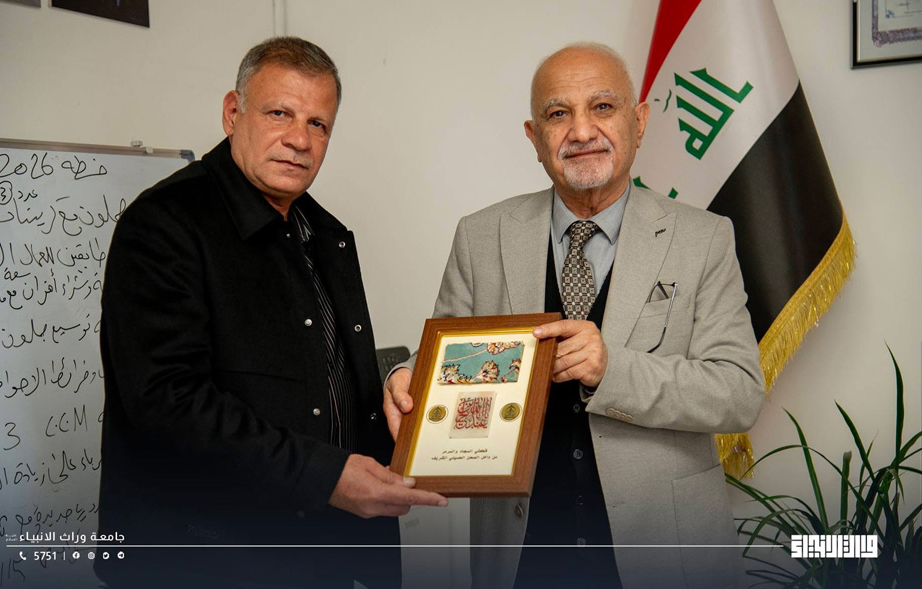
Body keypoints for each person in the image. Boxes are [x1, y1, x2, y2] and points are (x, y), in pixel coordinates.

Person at [384, 43, 765, 589]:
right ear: (534, 136)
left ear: (639, 121)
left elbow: (739, 393)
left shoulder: (704, 238)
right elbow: (449, 353)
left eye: (603, 107)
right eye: (558, 113)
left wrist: (614, 369)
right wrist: (409, 377)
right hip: (520, 555)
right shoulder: (480, 235)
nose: (582, 131)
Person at [97, 36, 446, 589]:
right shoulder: (163, 224)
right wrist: (326, 477)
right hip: (208, 561)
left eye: (318, 124)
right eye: (279, 113)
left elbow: (325, 375)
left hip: (322, 554)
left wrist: (395, 387)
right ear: (233, 113)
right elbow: (168, 402)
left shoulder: (324, 233)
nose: (299, 140)